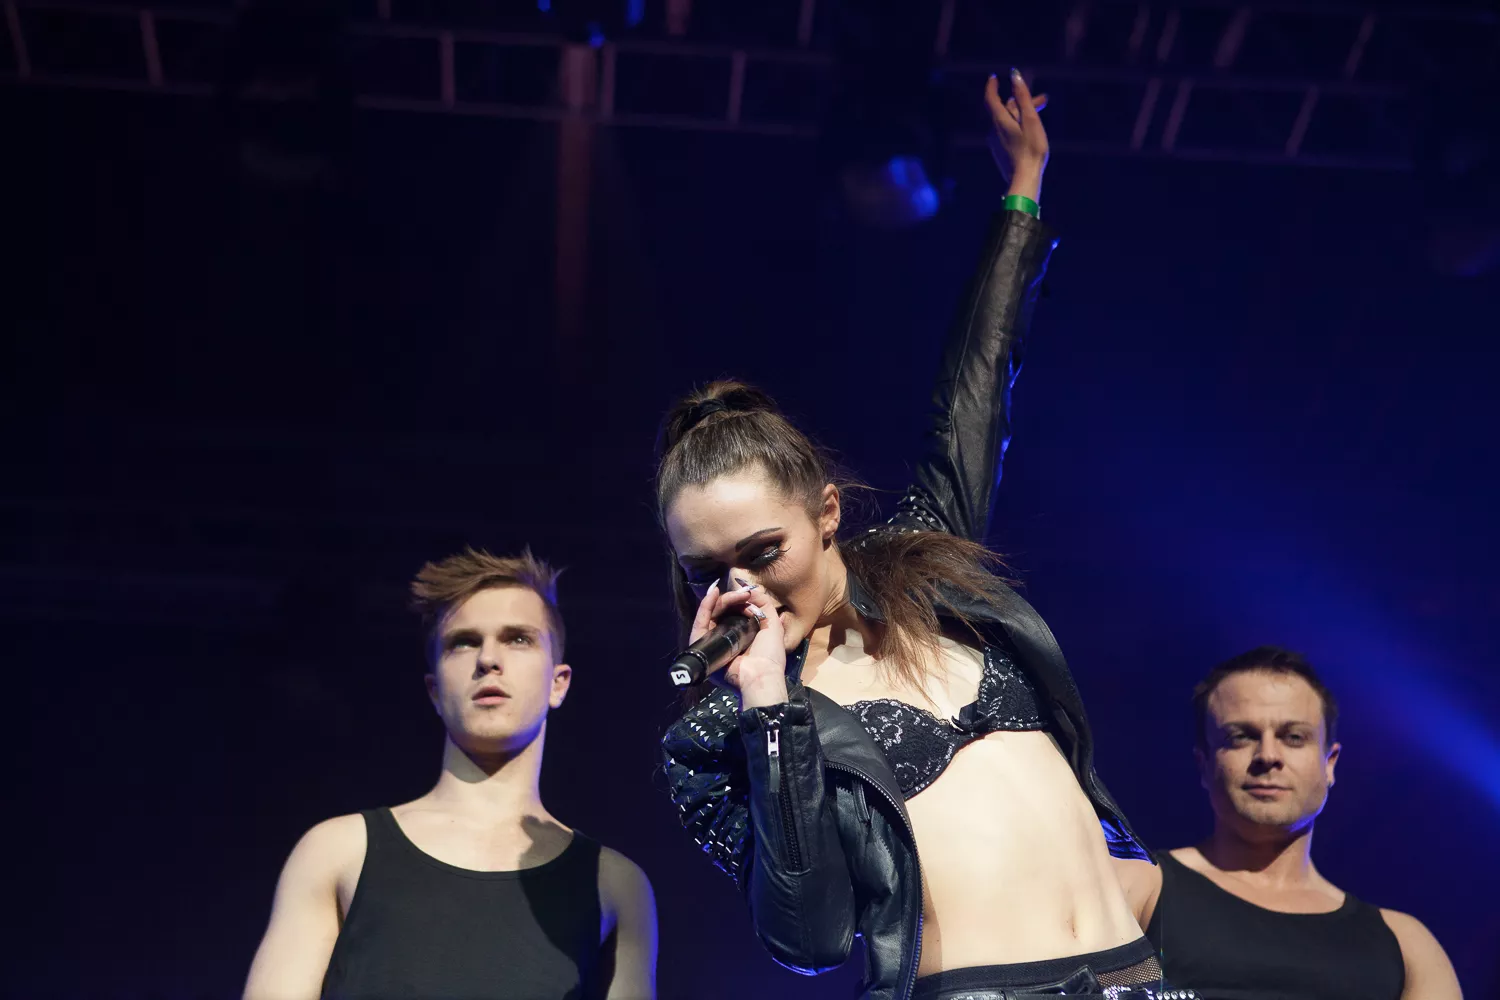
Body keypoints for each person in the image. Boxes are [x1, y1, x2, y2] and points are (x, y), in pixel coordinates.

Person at [658, 71, 1179, 1000]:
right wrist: (769, 714)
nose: (745, 590)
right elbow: (809, 934)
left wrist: (1022, 193)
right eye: (711, 570)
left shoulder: (921, 565)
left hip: (1134, 979)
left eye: (764, 553)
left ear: (826, 513)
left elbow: (974, 394)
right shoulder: (712, 735)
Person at [244, 548, 658, 1000]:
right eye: (463, 642)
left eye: (518, 638)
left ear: (558, 683)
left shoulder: (612, 884)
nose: (488, 659)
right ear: (435, 690)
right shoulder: (338, 852)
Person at [1113, 646, 1462, 1000]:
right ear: (1204, 764)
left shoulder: (1405, 946)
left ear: (1329, 763)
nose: (1268, 755)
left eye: (1294, 737)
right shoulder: (1138, 888)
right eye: (1240, 736)